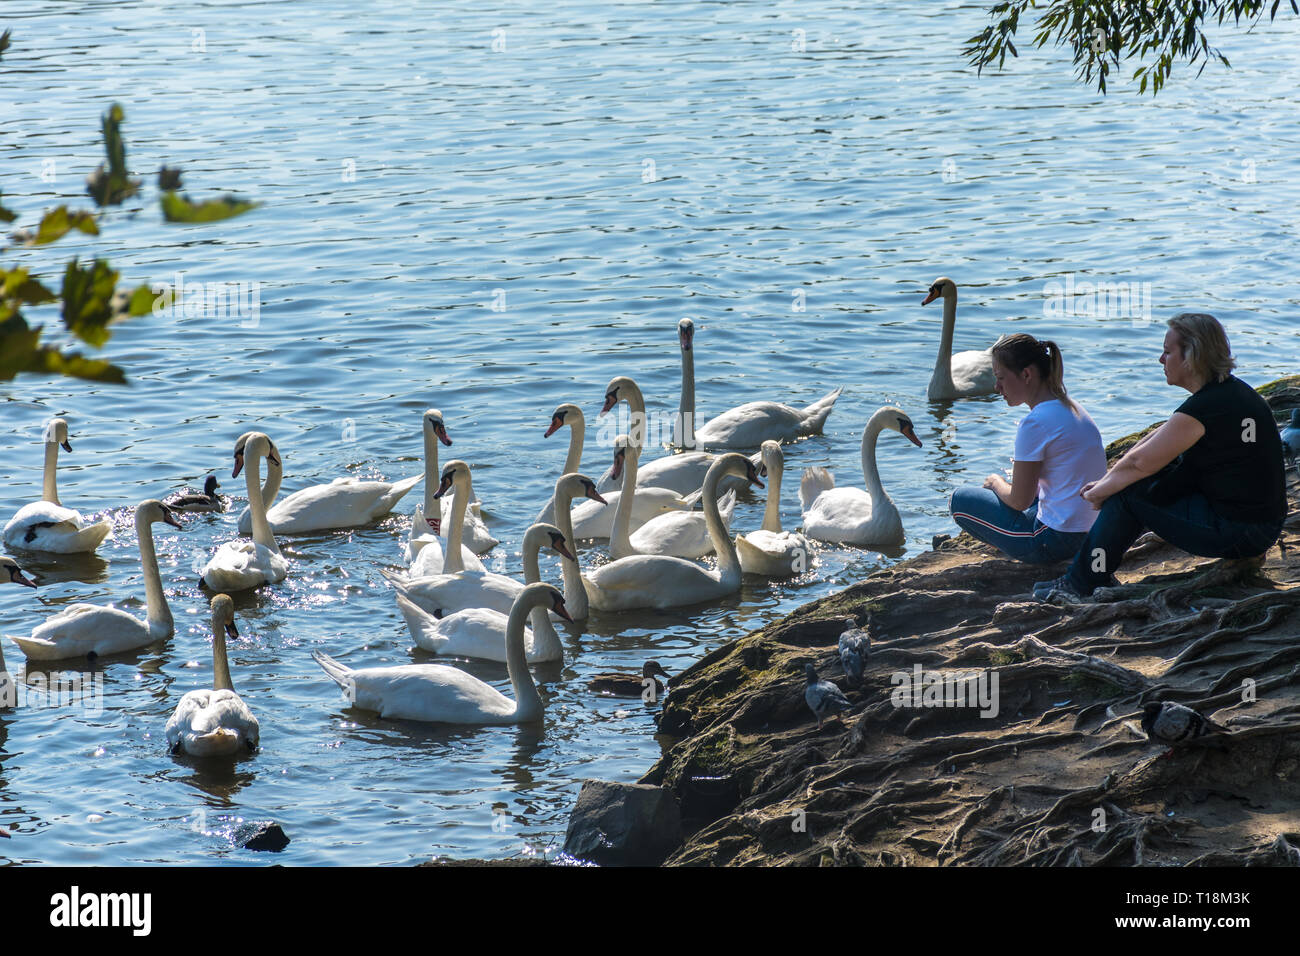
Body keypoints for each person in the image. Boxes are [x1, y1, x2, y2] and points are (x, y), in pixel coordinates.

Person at [1035, 314, 1286, 601]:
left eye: (1167, 352)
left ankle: (1079, 585)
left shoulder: (1208, 406)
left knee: (1127, 495)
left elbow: (1140, 463)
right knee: (1132, 486)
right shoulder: (1226, 394)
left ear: (1192, 356)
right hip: (1255, 526)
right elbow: (1151, 442)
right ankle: (1091, 574)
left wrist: (1102, 491)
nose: (1160, 359)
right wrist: (1106, 481)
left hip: (1241, 531)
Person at [950, 334, 1108, 563]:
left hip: (1053, 541)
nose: (996, 387)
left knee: (958, 501)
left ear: (1026, 374)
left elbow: (1019, 501)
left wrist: (995, 483)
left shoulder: (1034, 423)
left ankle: (1027, 554)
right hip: (1091, 532)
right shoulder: (1073, 408)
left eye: (1001, 378)